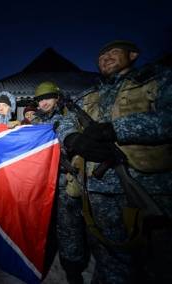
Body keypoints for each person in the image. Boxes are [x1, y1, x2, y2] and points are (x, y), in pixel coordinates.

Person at [64, 40, 172, 283]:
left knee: (158, 264)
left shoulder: (158, 79)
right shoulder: (89, 94)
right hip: (98, 191)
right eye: (101, 54)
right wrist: (72, 139)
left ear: (133, 54)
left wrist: (116, 129)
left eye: (113, 51)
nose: (106, 57)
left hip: (150, 189)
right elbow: (66, 122)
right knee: (110, 261)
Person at [33, 81, 89, 283]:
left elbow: (71, 140)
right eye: (40, 99)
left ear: (56, 98)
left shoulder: (68, 117)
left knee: (69, 226)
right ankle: (43, 258)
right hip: (41, 182)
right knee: (45, 224)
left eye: (47, 98)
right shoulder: (35, 123)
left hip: (63, 180)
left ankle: (73, 268)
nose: (44, 102)